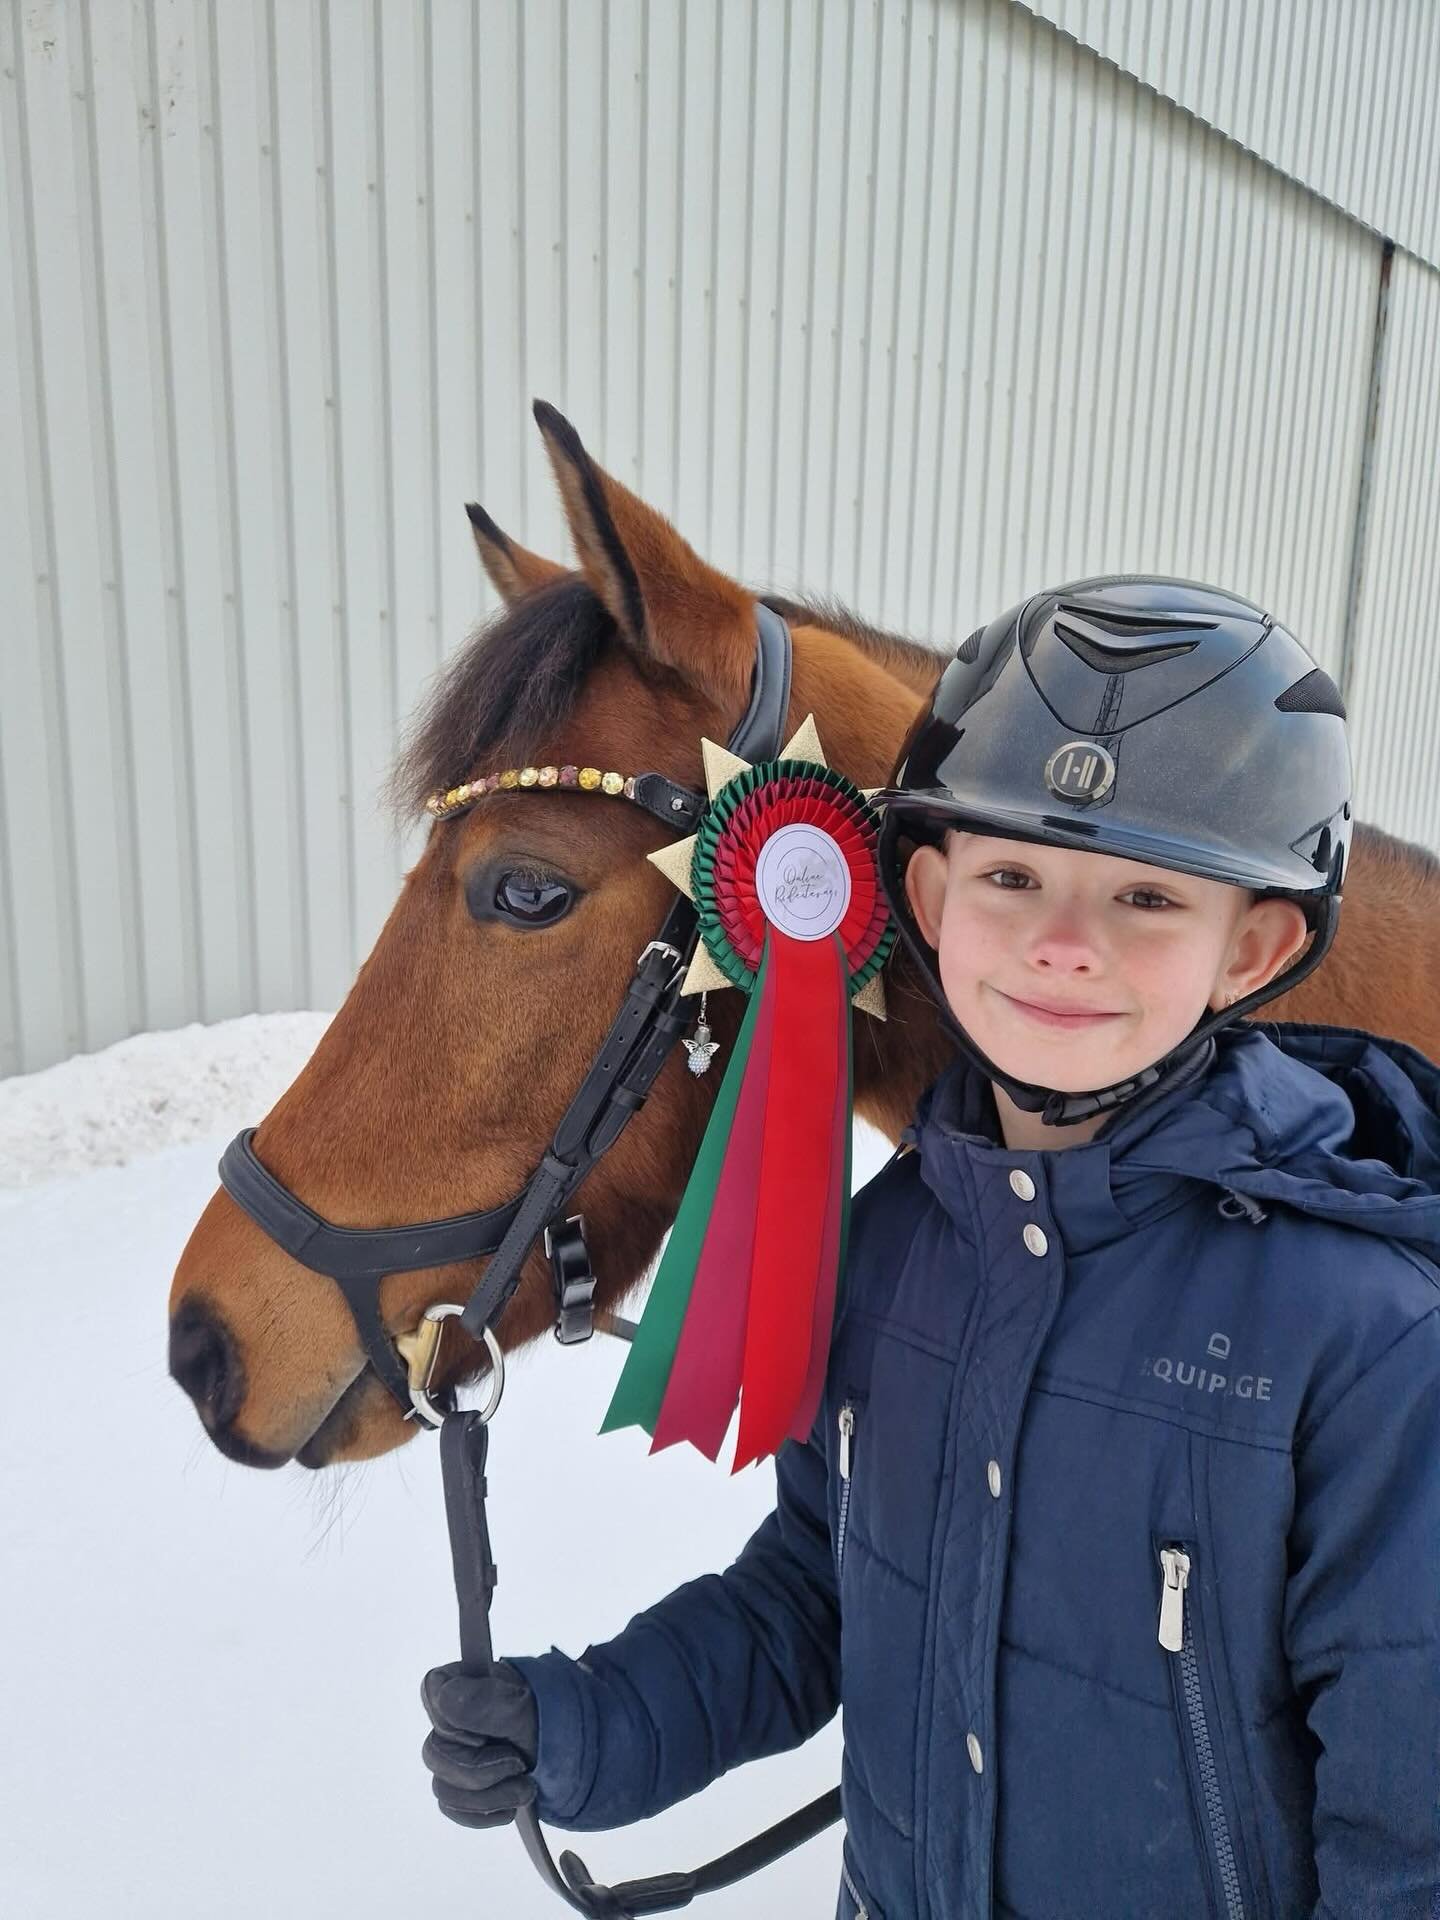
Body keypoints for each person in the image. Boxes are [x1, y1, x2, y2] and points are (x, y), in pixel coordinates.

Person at [420, 577, 1440, 1918]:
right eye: (1013, 876)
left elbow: (1410, 1842)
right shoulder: (885, 1249)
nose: (1064, 946)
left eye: (1145, 896)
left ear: (1252, 949)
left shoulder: (1370, 1343)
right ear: (930, 896)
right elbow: (815, 1596)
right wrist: (587, 1726)